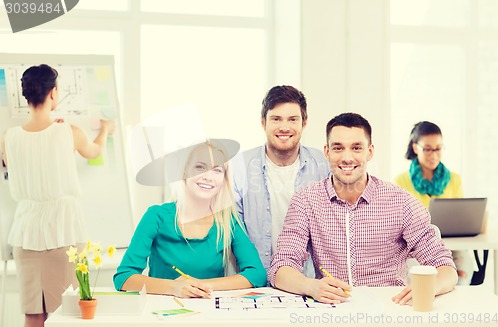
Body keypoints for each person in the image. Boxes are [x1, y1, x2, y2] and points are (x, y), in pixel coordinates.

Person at [269, 112, 458, 305]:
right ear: (327, 152)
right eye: (338, 148)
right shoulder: (306, 200)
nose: (347, 157)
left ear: (370, 151)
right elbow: (280, 268)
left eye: (356, 148)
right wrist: (311, 287)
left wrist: (429, 287)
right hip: (333, 312)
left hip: (390, 310)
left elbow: (445, 267)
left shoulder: (400, 201)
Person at [1, 64, 113, 327]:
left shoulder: (9, 137)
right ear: (53, 93)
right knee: (68, 315)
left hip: (26, 236)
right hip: (64, 233)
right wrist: (106, 129)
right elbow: (95, 151)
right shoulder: (69, 132)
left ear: (26, 95)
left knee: (33, 316)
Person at [113, 139, 267, 298]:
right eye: (199, 167)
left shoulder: (228, 220)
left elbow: (256, 274)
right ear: (184, 172)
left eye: (217, 170)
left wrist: (201, 285)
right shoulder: (156, 216)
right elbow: (124, 277)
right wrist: (174, 287)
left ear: (224, 180)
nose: (208, 176)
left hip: (209, 311)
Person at [232, 85, 329, 275]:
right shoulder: (239, 166)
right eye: (276, 119)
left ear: (304, 123)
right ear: (263, 123)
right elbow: (234, 231)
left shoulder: (324, 166)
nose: (284, 127)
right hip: (255, 281)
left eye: (293, 119)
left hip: (308, 281)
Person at [394, 121, 477, 285]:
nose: (433, 154)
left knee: (461, 273)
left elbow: (460, 217)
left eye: (438, 148)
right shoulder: (400, 181)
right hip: (416, 250)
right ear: (416, 147)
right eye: (427, 149)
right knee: (421, 280)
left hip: (452, 247)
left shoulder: (454, 179)